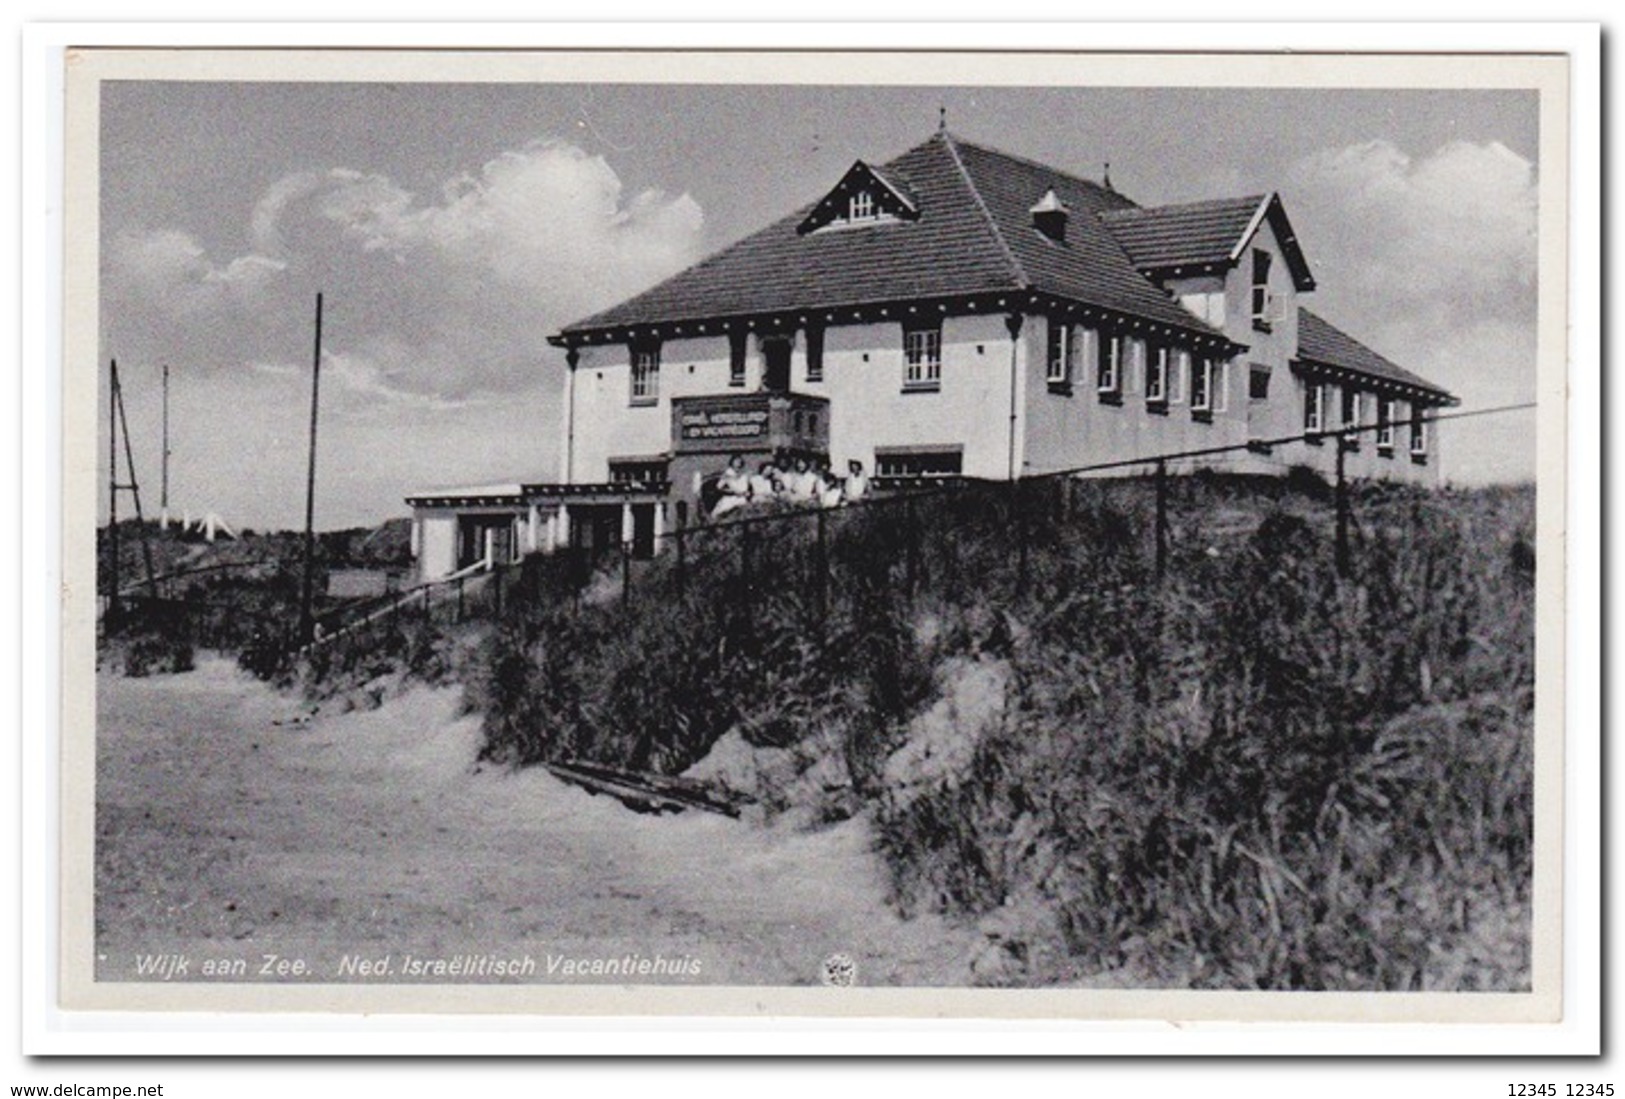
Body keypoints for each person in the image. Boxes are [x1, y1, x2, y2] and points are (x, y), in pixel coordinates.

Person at [711, 454, 750, 518]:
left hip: (742, 499)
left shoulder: (744, 474)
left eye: (739, 461)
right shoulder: (728, 474)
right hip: (731, 499)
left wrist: (746, 492)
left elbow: (746, 487)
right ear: (732, 463)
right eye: (736, 461)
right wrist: (731, 491)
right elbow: (718, 487)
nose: (738, 463)